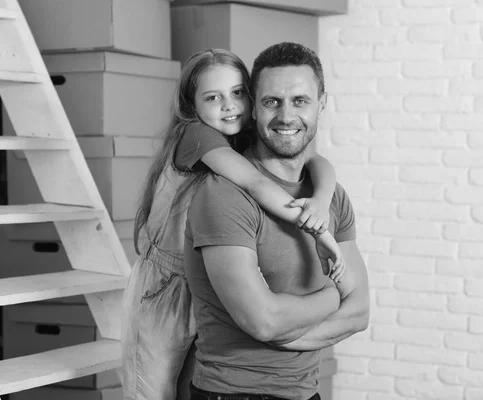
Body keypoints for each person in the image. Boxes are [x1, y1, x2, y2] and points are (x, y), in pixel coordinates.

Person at [122, 48, 346, 400]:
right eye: (213, 97)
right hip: (164, 287)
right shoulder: (196, 135)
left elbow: (319, 162)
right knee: (152, 390)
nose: (229, 106)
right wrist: (315, 226)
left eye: (238, 93)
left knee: (191, 382)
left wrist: (321, 200)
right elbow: (256, 184)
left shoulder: (242, 134)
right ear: (192, 106)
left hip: (208, 281)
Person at [183, 42, 370, 400]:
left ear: (322, 105)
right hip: (232, 394)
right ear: (253, 106)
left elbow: (359, 313)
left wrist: (287, 336)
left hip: (305, 393)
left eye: (300, 100)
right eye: (272, 102)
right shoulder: (224, 194)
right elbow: (263, 321)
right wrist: (333, 295)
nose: (286, 116)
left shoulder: (330, 195)